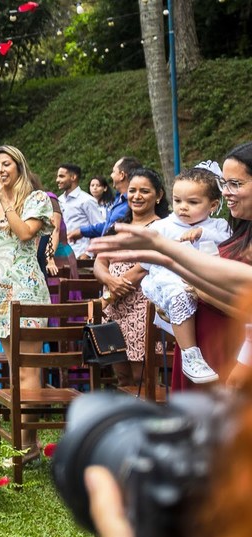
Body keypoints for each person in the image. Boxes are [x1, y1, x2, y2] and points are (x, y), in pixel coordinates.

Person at [0, 144, 54, 453]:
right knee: (14, 366)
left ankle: (27, 444)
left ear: (19, 166)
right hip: (0, 291)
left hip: (28, 288)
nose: (0, 169)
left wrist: (5, 199)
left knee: (29, 368)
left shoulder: (37, 199)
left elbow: (26, 234)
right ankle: (28, 441)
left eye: (6, 164)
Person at [142, 168, 231, 383]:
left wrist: (203, 233)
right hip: (168, 277)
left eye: (192, 202)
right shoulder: (162, 226)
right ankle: (190, 354)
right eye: (178, 200)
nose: (183, 207)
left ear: (213, 205)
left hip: (205, 285)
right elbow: (145, 260)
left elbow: (226, 242)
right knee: (178, 293)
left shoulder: (218, 226)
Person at [92, 168, 170, 388]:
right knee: (123, 377)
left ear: (159, 195)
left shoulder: (162, 228)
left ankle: (150, 420)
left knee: (142, 377)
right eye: (132, 190)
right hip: (115, 309)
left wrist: (111, 292)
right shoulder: (118, 227)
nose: (137, 196)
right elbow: (100, 261)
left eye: (144, 191)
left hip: (143, 308)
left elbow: (142, 268)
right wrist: (108, 280)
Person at [69, 157, 142, 245]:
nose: (111, 175)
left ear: (122, 175)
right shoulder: (119, 198)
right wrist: (82, 231)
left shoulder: (134, 204)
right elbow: (109, 226)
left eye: (114, 171)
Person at [56, 163, 94, 258]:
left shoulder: (87, 200)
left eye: (61, 176)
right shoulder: (59, 200)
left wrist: (88, 254)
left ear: (73, 177)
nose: (57, 180)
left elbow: (100, 228)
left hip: (81, 256)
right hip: (62, 256)